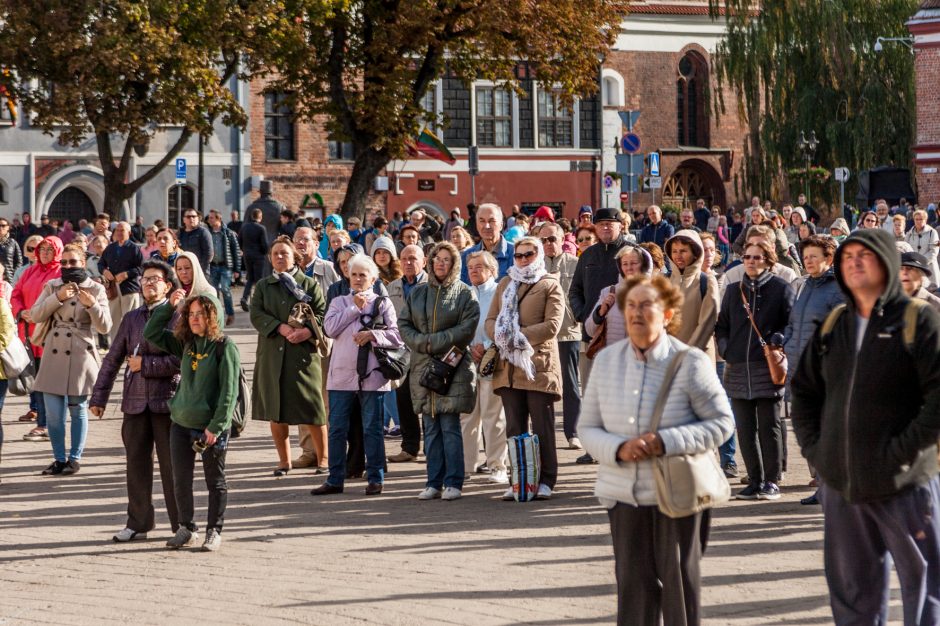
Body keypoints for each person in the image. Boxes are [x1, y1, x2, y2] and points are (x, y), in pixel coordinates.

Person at [791, 228, 940, 625]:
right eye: (848, 255)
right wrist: (816, 450)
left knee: (924, 591)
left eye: (866, 255)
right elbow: (803, 392)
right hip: (843, 486)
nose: (854, 262)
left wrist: (900, 452)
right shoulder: (834, 323)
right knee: (853, 594)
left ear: (889, 263)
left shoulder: (918, 319)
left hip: (904, 484)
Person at [580, 274, 733, 626]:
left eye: (646, 305)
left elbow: (722, 423)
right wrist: (618, 448)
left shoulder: (690, 361)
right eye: (630, 305)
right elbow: (587, 428)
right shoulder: (606, 362)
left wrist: (666, 441)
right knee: (632, 589)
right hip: (623, 495)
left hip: (677, 494)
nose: (636, 312)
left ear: (667, 313)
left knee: (679, 587)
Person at [90, 259, 182, 541]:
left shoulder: (178, 315)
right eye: (145, 279)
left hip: (167, 403)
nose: (149, 283)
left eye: (155, 279)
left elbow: (183, 359)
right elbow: (114, 358)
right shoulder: (132, 317)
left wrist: (147, 365)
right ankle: (138, 522)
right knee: (136, 466)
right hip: (134, 402)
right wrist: (100, 396)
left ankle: (182, 524)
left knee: (172, 468)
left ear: (167, 286)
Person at [144, 291, 239, 552]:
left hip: (210, 427)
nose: (195, 319)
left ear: (213, 316)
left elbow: (229, 392)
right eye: (191, 314)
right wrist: (169, 307)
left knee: (214, 480)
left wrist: (216, 428)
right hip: (181, 422)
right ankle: (186, 528)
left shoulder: (224, 346)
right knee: (180, 479)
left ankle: (214, 530)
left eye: (201, 314)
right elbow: (151, 333)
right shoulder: (185, 343)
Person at [311, 254, 404, 496]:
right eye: (354, 274)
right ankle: (335, 478)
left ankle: (375, 477)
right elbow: (329, 329)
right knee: (337, 428)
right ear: (347, 276)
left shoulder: (383, 303)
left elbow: (397, 336)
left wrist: (373, 335)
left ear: (373, 278)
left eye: (363, 274)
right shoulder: (339, 302)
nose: (358, 279)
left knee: (372, 429)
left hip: (373, 376)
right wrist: (355, 308)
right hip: (341, 376)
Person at [399, 242, 479, 501]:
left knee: (450, 426)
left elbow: (467, 328)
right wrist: (423, 343)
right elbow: (404, 323)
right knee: (430, 427)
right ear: (430, 262)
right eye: (437, 259)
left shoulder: (464, 293)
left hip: (452, 367)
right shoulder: (419, 293)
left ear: (454, 263)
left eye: (447, 259)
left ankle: (454, 482)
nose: (441, 263)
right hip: (423, 366)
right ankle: (433, 481)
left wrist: (437, 340)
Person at [715, 240, 794, 501]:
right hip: (737, 366)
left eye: (757, 257)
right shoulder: (733, 290)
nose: (750, 261)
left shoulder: (781, 288)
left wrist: (778, 340)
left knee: (769, 426)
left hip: (766, 366)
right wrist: (726, 349)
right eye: (747, 257)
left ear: (768, 260)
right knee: (745, 429)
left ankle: (771, 481)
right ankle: (754, 479)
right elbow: (722, 325)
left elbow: (791, 323)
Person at [486, 237, 563, 500]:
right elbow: (491, 319)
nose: (522, 259)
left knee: (543, 428)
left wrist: (518, 336)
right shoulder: (506, 283)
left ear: (538, 255)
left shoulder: (549, 284)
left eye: (528, 254)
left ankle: (546, 480)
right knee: (515, 427)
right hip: (507, 367)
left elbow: (552, 326)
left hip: (537, 366)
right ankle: (519, 480)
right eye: (518, 255)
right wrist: (501, 336)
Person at [249, 236, 327, 476]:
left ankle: (323, 459)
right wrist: (279, 327)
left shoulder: (309, 284)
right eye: (275, 254)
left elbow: (323, 313)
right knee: (276, 409)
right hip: (272, 355)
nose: (280, 258)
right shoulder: (263, 286)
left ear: (295, 256)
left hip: (303, 356)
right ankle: (284, 461)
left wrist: (307, 332)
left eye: (284, 253)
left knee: (313, 408)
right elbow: (256, 313)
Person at [32, 244, 112, 475]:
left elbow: (105, 326)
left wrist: (92, 305)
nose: (68, 266)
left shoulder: (95, 288)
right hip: (54, 352)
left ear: (84, 262)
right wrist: (57, 297)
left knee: (78, 410)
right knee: (54, 415)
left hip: (81, 353)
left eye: (73, 262)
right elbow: (36, 314)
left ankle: (74, 459)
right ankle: (58, 459)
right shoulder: (52, 286)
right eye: (64, 262)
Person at [782, 236, 843, 505]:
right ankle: (821, 486)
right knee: (809, 430)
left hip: (823, 371)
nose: (808, 261)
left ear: (829, 259)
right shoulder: (805, 286)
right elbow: (794, 322)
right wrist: (785, 342)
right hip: (799, 369)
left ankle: (833, 488)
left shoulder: (837, 288)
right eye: (805, 256)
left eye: (814, 256)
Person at [291, 226, 338, 471]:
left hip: (322, 342)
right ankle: (308, 450)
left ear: (316, 243)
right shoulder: (289, 271)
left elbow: (339, 301)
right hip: (296, 342)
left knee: (324, 397)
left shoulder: (327, 269)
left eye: (305, 240)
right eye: (297, 240)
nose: (301, 244)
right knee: (303, 397)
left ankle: (327, 451)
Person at [461, 251, 509, 483]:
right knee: (468, 415)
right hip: (468, 360)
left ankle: (497, 465)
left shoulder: (501, 291)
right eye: (470, 267)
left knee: (494, 415)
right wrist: (470, 347)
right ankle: (467, 465)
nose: (474, 270)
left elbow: (506, 323)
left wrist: (488, 347)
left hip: (494, 359)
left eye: (479, 266)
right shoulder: (464, 293)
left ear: (492, 270)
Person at [540, 221, 583, 450]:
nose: (548, 244)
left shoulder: (575, 264)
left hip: (568, 332)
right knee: (544, 387)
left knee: (571, 385)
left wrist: (577, 316)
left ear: (562, 239)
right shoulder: (536, 266)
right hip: (542, 336)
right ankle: (545, 435)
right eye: (543, 240)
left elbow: (581, 296)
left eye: (552, 239)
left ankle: (573, 432)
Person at [13, 236, 62, 439]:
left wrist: (38, 313)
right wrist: (21, 311)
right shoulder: (29, 271)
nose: (44, 253)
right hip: (28, 333)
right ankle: (43, 420)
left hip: (49, 333)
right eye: (41, 250)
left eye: (49, 250)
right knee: (35, 380)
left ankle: (46, 424)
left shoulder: (60, 272)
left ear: (57, 252)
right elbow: (15, 293)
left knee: (47, 382)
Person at [386, 245, 427, 464]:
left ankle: (431, 447)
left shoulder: (432, 284)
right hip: (400, 352)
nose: (408, 263)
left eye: (413, 258)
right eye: (404, 259)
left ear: (424, 261)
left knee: (428, 400)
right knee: (403, 400)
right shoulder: (392, 287)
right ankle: (409, 448)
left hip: (425, 350)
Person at [664, 230, 720, 361]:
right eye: (674, 251)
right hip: (668, 359)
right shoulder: (665, 281)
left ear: (695, 253)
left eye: (683, 251)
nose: (678, 256)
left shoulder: (707, 281)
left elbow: (707, 325)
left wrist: (687, 354)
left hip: (697, 358)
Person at [99, 222, 143, 341]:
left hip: (129, 289)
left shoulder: (134, 248)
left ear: (129, 233)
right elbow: (101, 263)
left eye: (122, 230)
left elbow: (142, 267)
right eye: (117, 230)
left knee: (131, 320)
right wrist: (104, 271)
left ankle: (132, 347)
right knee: (114, 320)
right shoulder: (110, 248)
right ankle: (115, 348)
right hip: (113, 289)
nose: (118, 232)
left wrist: (127, 274)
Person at [459, 203, 513, 283]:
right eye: (482, 221)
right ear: (477, 225)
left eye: (492, 221)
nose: (486, 226)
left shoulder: (516, 254)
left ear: (501, 225)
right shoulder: (467, 256)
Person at [206, 210, 241, 326]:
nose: (209, 220)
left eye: (211, 218)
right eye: (209, 218)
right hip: (213, 266)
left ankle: (230, 313)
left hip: (225, 266)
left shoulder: (228, 233)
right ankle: (215, 315)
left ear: (218, 219)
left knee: (225, 289)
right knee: (213, 291)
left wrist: (237, 270)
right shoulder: (208, 233)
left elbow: (235, 252)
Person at [238, 207, 270, 310]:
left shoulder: (244, 227)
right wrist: (265, 252)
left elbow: (239, 241)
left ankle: (244, 298)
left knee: (250, 278)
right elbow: (264, 244)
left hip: (247, 255)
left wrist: (244, 250)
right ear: (260, 217)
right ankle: (258, 302)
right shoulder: (261, 228)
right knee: (259, 280)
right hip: (258, 256)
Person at [904, 209, 940, 287]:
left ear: (925, 220)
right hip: (914, 270)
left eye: (921, 219)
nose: (918, 221)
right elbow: (906, 250)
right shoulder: (909, 234)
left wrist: (920, 262)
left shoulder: (932, 232)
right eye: (916, 219)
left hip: (930, 269)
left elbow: (934, 252)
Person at [0, 217, 23, 284]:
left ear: (8, 228)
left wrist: (13, 274)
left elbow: (19, 262)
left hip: (9, 279)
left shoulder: (13, 242)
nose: (0, 228)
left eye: (3, 226)